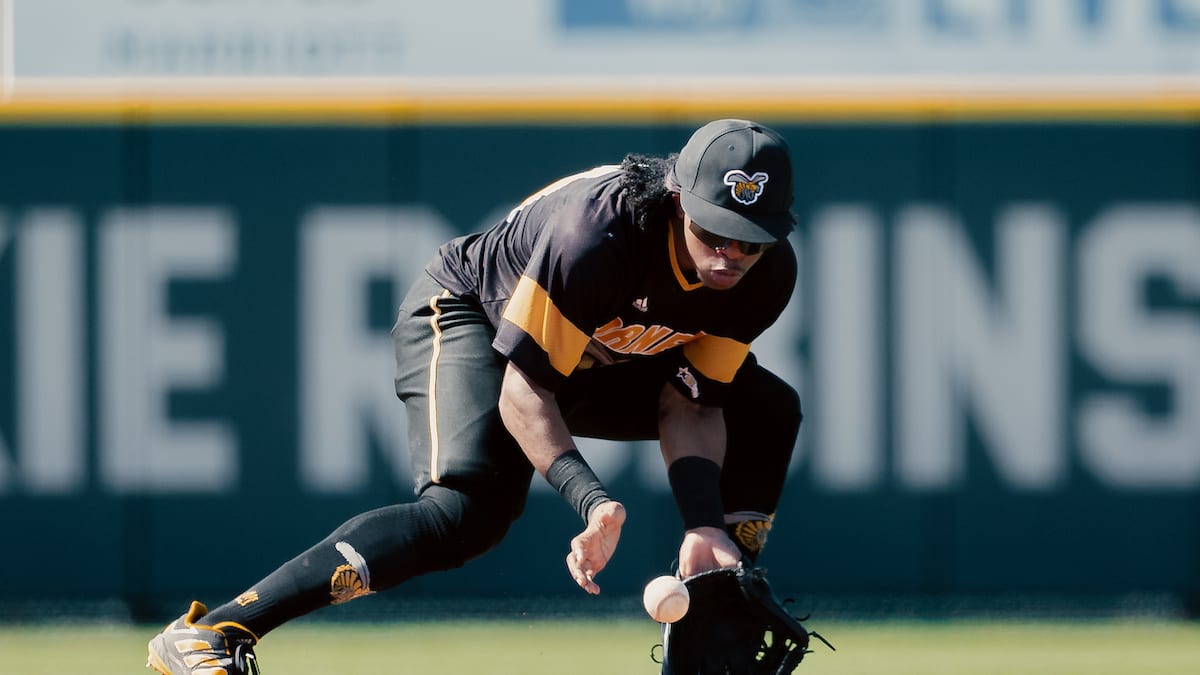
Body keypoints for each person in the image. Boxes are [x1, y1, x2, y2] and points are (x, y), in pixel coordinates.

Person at [146, 118, 803, 675]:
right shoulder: (599, 234)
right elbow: (524, 390)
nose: (729, 253)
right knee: (463, 511)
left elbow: (690, 401)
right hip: (473, 319)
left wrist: (704, 524)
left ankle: (713, 603)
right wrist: (591, 499)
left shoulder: (767, 275)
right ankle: (216, 631)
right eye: (714, 229)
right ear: (677, 197)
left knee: (764, 408)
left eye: (750, 238)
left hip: (594, 358)